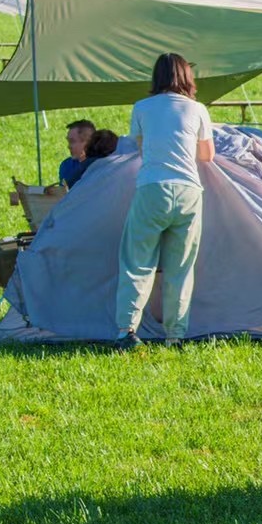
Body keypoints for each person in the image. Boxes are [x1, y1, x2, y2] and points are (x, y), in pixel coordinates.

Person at [113, 54, 214, 349]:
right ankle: (175, 335)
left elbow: (142, 149)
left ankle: (127, 331)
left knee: (137, 262)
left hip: (152, 188)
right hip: (189, 192)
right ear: (187, 77)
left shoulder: (142, 108)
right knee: (180, 268)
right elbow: (207, 155)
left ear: (155, 77)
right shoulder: (197, 109)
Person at [58, 119, 95, 187]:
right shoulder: (66, 165)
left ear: (88, 143)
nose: (69, 146)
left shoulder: (102, 163)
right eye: (68, 141)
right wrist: (82, 166)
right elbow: (67, 189)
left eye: (72, 141)